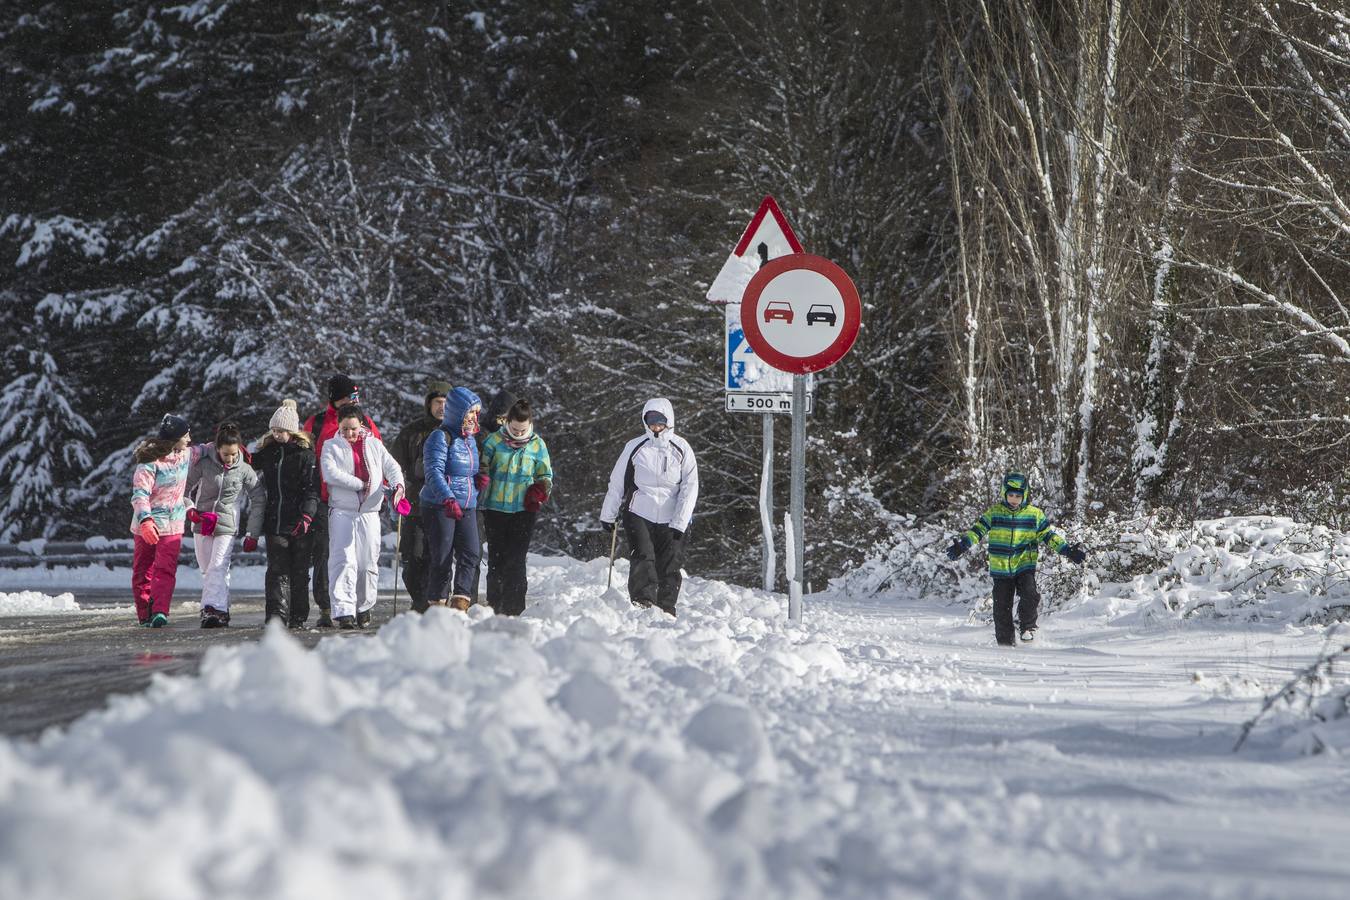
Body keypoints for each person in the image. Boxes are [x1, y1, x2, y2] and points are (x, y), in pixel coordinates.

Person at [945, 471, 1088, 646]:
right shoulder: (995, 513)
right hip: (1001, 567)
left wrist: (1067, 550)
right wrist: (962, 545)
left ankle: (1027, 627)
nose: (1014, 499)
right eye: (1011, 495)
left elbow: (1048, 536)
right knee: (1001, 607)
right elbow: (978, 531)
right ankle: (1005, 644)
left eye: (1018, 496)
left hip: (1024, 564)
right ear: (1004, 494)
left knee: (1030, 594)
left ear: (1024, 495)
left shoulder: (1034, 515)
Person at [599, 398, 698, 616]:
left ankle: (666, 607)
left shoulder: (682, 449)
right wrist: (609, 514)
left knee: (670, 563)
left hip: (672, 516)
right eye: (651, 421)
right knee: (643, 556)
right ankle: (643, 602)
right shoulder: (635, 447)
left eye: (659, 421)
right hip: (639, 511)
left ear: (668, 421)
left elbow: (690, 488)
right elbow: (617, 482)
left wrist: (680, 521)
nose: (655, 426)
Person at [304, 374, 382, 627]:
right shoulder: (317, 423)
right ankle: (328, 606)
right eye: (349, 396)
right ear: (336, 399)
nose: (354, 400)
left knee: (361, 557)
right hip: (326, 498)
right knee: (327, 554)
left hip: (361, 502)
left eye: (356, 396)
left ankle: (361, 604)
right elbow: (306, 458)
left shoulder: (365, 422)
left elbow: (378, 456)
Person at [320, 404, 404, 629]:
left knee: (367, 561)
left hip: (369, 512)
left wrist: (398, 486)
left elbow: (392, 467)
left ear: (361, 425)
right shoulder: (331, 446)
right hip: (342, 510)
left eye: (353, 429)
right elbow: (330, 473)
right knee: (344, 560)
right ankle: (343, 609)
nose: (349, 434)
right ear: (339, 426)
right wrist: (360, 485)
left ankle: (364, 606)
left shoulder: (374, 444)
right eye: (345, 428)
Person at [245, 400, 319, 628]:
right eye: (274, 430)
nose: (277, 435)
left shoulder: (304, 456)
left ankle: (298, 616)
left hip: (299, 522)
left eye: (281, 431)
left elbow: (312, 490)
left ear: (292, 431)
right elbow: (247, 461)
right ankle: (276, 616)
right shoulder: (269, 452)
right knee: (277, 570)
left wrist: (307, 516)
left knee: (299, 572)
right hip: (275, 521)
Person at [479, 397, 553, 615]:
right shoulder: (493, 441)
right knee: (497, 558)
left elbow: (545, 474)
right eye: (514, 429)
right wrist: (482, 476)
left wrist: (541, 490)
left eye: (523, 430)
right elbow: (482, 466)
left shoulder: (537, 444)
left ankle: (514, 607)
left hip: (523, 511)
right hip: (495, 509)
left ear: (529, 425)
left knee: (516, 559)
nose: (519, 433)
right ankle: (495, 604)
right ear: (507, 423)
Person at [184, 422, 258, 628]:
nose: (231, 458)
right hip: (202, 522)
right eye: (226, 454)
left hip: (227, 525)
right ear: (217, 449)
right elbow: (184, 488)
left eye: (234, 454)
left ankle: (211, 609)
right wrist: (190, 509)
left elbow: (258, 496)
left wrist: (253, 530)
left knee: (218, 565)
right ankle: (222, 608)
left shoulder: (244, 469)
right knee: (208, 569)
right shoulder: (204, 463)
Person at [129, 414, 197, 628]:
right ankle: (144, 614)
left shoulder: (186, 454)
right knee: (143, 570)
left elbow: (208, 449)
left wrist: (229, 440)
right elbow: (139, 493)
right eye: (186, 435)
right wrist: (146, 520)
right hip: (147, 525)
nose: (189, 439)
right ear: (175, 437)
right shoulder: (149, 461)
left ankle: (159, 611)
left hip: (174, 524)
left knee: (165, 569)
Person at [420, 387, 483, 611]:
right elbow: (433, 472)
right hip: (440, 505)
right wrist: (447, 498)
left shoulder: (470, 440)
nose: (474, 418)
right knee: (442, 557)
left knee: (472, 552)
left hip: (467, 503)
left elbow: (468, 470)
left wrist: (479, 479)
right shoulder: (440, 436)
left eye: (476, 413)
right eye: (470, 413)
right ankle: (437, 602)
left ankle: (460, 600)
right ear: (458, 412)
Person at [389, 381, 450, 613]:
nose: (441, 408)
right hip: (415, 504)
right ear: (429, 404)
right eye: (437, 402)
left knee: (439, 557)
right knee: (413, 558)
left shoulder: (455, 432)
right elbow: (394, 465)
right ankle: (419, 599)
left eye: (445, 403)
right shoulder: (412, 432)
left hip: (445, 504)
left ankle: (436, 602)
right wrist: (398, 488)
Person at [470, 388, 518, 604]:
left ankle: (497, 599)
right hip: (480, 503)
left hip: (506, 504)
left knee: (502, 555)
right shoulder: (482, 435)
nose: (503, 422)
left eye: (507, 418)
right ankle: (467, 599)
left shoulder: (521, 439)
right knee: (474, 553)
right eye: (500, 417)